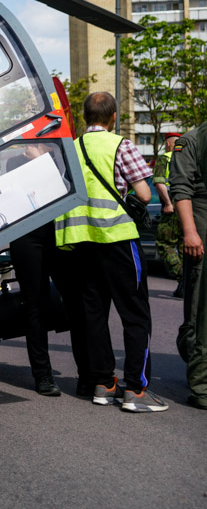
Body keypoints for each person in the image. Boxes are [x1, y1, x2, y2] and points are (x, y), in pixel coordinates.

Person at [54, 92, 165, 412]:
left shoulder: (70, 150)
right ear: (113, 116)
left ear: (85, 116)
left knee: (94, 315)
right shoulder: (121, 145)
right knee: (136, 315)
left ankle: (103, 384)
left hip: (81, 242)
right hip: (116, 238)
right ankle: (136, 390)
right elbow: (144, 194)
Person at [5, 144, 89, 396]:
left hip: (60, 233)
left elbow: (63, 191)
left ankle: (87, 374)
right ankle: (43, 375)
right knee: (35, 304)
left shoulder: (63, 156)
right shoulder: (14, 162)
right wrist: (39, 162)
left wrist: (44, 160)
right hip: (27, 237)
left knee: (76, 302)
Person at [168, 124, 207, 408]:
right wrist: (190, 231)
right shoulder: (191, 140)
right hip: (202, 219)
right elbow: (181, 189)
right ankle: (202, 387)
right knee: (201, 307)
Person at [152, 133, 185, 294]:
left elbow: (158, 182)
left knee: (164, 243)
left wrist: (167, 203)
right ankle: (187, 285)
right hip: (188, 208)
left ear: (169, 145)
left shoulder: (165, 158)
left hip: (172, 208)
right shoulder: (188, 159)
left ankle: (183, 277)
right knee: (184, 246)